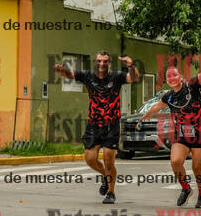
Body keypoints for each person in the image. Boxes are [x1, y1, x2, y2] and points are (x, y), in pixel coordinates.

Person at [141, 50, 201, 208]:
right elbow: (157, 106)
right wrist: (146, 115)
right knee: (175, 161)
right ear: (166, 81)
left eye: (174, 74)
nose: (172, 78)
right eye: (168, 76)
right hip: (182, 134)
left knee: (197, 167)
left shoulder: (192, 85)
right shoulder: (169, 96)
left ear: (180, 76)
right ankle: (186, 189)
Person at [54, 51, 139, 204]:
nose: (102, 64)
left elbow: (133, 78)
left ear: (109, 63)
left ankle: (111, 192)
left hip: (111, 125)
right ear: (95, 62)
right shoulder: (87, 76)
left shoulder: (116, 77)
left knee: (108, 160)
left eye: (105, 61)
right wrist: (61, 70)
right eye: (99, 61)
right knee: (90, 159)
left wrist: (131, 66)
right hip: (94, 125)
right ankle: (105, 176)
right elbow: (70, 75)